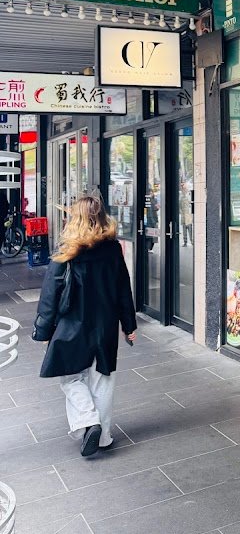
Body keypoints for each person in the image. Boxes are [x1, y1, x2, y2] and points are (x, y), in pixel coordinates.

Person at [33, 196, 136, 458]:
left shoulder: (67, 250)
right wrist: (129, 325)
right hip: (105, 325)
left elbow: (50, 294)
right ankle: (103, 436)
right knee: (103, 379)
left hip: (72, 325)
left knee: (71, 377)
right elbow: (123, 289)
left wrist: (43, 330)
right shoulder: (112, 248)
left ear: (75, 218)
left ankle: (89, 421)